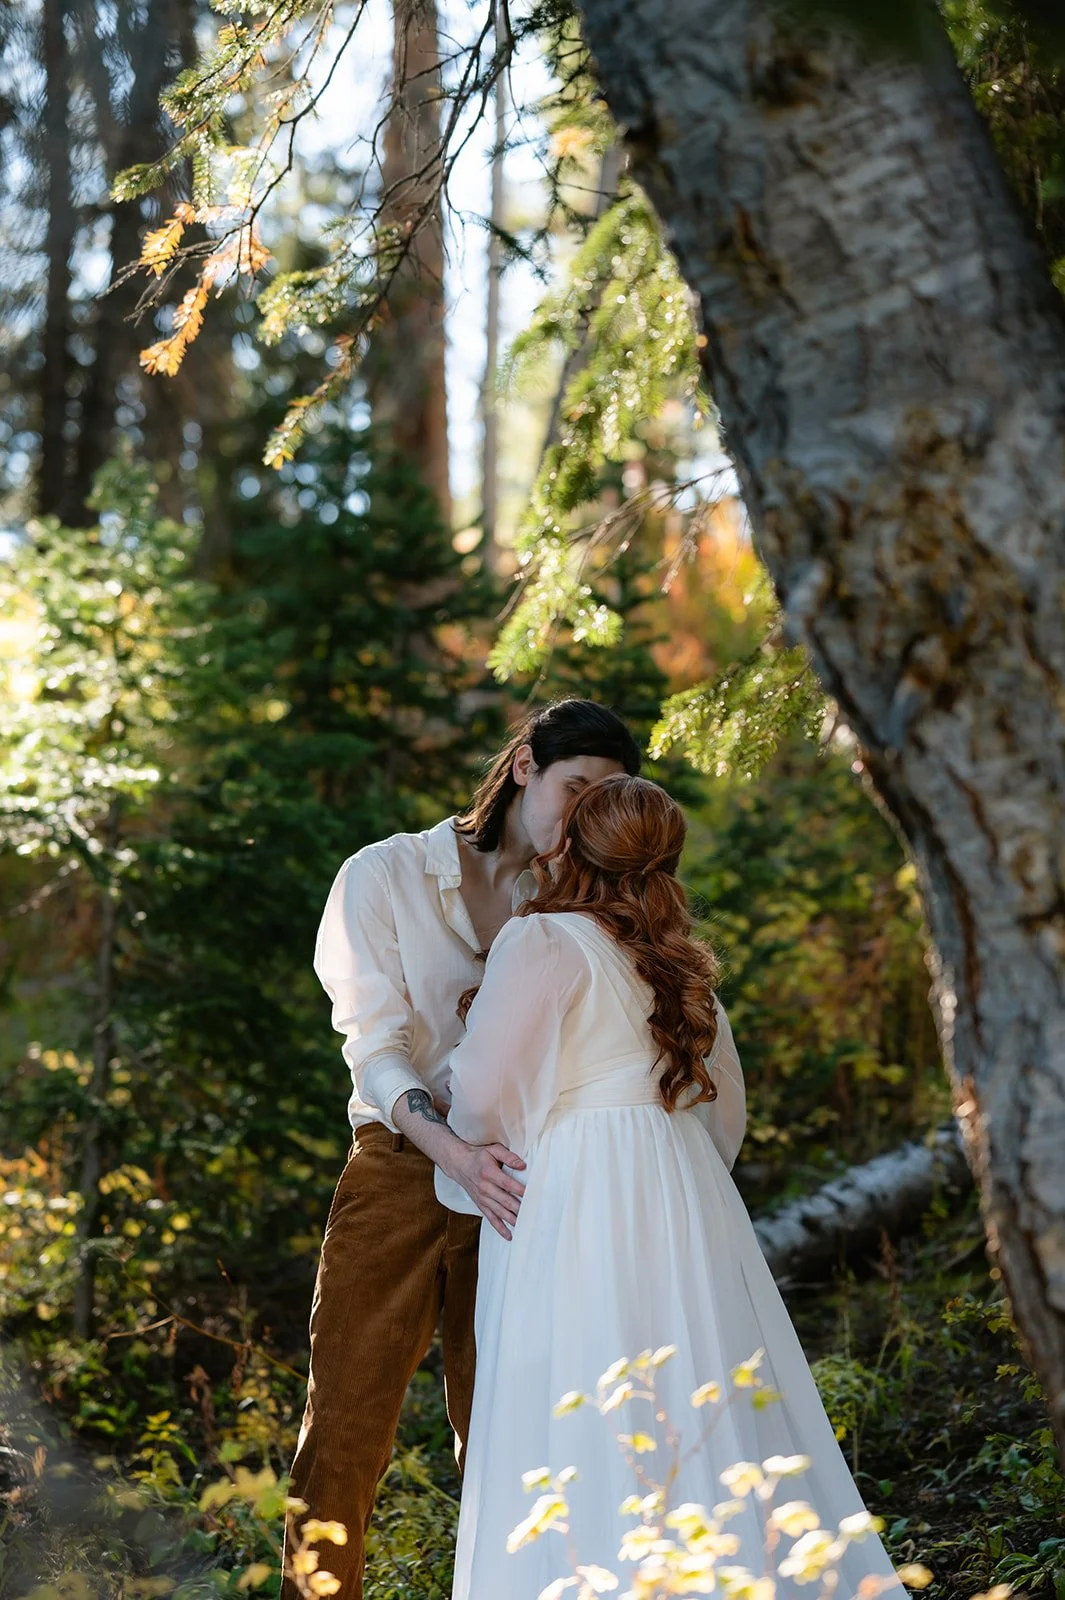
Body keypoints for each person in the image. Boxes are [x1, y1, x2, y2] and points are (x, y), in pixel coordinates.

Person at [436, 774, 902, 1600]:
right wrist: (682, 1187)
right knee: (698, 1381)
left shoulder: (543, 942)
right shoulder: (676, 958)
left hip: (577, 1188)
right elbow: (723, 1113)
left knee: (578, 1382)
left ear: (568, 846)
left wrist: (477, 1119)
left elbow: (474, 1098)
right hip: (679, 1184)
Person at [281, 700, 642, 1600]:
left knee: (515, 1428)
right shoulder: (384, 874)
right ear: (522, 766)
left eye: (608, 797)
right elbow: (374, 1044)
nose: (586, 814)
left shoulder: (572, 903)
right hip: (400, 1173)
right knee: (346, 1428)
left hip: (522, 1185)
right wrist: (448, 1150)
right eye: (575, 788)